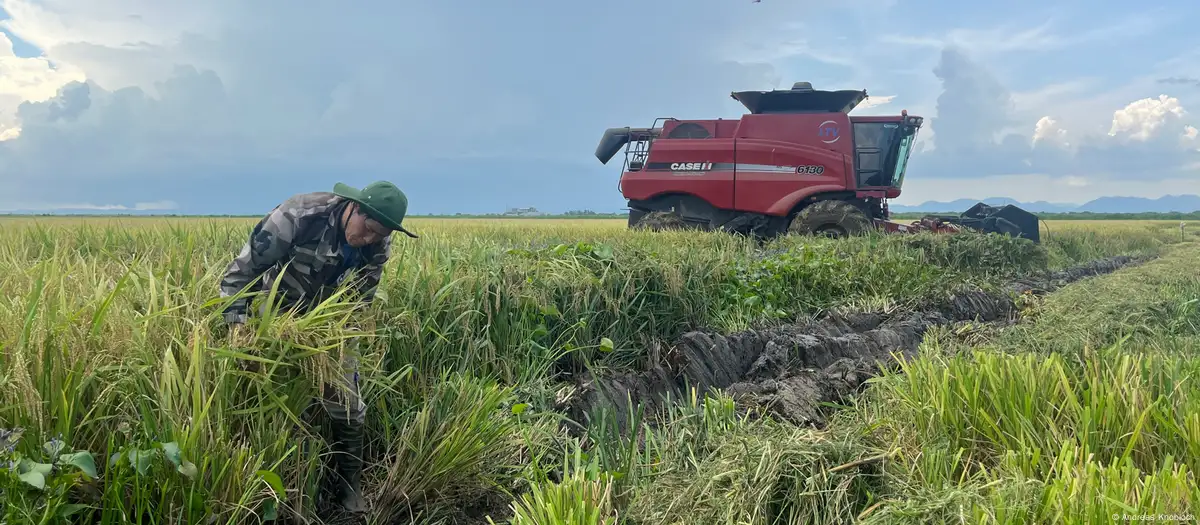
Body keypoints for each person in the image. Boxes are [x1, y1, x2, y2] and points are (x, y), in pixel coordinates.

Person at [218, 180, 417, 514]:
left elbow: (358, 301)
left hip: (328, 321)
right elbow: (241, 273)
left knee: (347, 402)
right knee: (268, 394)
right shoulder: (298, 216)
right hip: (276, 310)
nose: (367, 239)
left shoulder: (377, 244)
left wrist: (338, 340)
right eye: (366, 228)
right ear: (353, 208)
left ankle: (348, 484)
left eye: (378, 235)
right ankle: (266, 483)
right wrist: (238, 327)